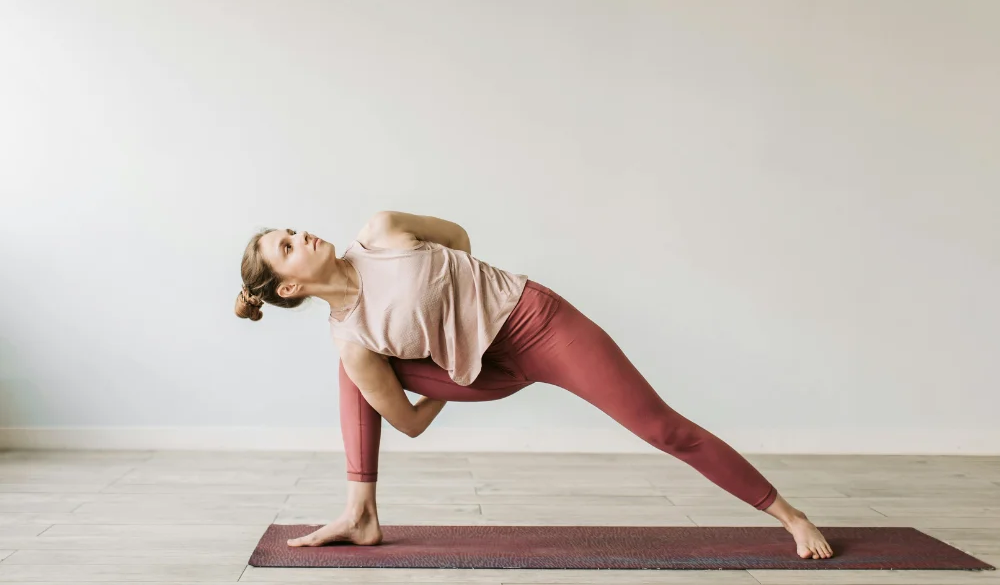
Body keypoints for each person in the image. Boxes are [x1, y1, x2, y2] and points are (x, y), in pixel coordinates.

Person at [234, 211, 833, 559]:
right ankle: (359, 515)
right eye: (288, 247)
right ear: (288, 289)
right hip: (485, 371)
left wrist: (459, 318)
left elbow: (460, 240)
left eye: (293, 229)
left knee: (662, 427)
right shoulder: (355, 340)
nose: (303, 233)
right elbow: (410, 423)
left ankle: (791, 515)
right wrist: (458, 366)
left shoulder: (383, 231)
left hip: (537, 322)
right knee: (352, 365)